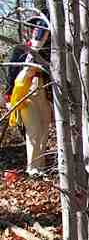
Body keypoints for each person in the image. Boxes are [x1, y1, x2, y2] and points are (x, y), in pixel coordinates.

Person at [3, 16, 52, 177]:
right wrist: (9, 98)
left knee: (44, 129)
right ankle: (32, 168)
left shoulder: (48, 52)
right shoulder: (21, 50)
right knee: (34, 130)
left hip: (44, 93)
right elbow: (12, 75)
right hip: (25, 94)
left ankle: (41, 167)